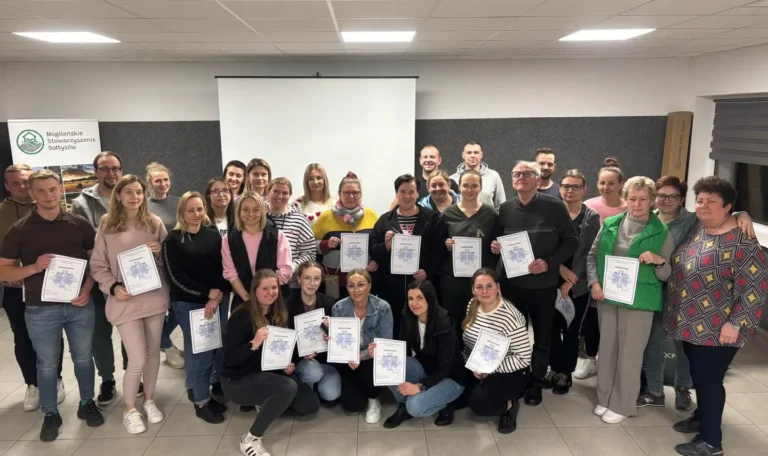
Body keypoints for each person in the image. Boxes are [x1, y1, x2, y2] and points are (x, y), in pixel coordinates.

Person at [663, 177, 766, 456]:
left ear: (727, 207)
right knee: (700, 376)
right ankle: (703, 416)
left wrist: (735, 324)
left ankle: (710, 442)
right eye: (700, 201)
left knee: (709, 380)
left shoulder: (743, 243)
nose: (703, 206)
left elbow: (755, 289)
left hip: (719, 327)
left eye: (712, 201)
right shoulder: (701, 228)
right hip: (690, 322)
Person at [0, 170, 105, 442]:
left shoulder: (80, 224)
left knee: (83, 358)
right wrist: (34, 268)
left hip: (79, 305)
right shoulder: (19, 230)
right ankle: (50, 413)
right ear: (31, 194)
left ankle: (86, 403)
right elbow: (4, 270)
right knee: (47, 364)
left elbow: (95, 264)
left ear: (60, 190)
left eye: (52, 189)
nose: (47, 195)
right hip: (40, 309)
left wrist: (86, 290)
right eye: (40, 191)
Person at [639, 176, 755, 411]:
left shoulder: (694, 220)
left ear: (682, 199)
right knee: (653, 342)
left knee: (683, 346)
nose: (666, 200)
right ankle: (654, 391)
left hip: (685, 294)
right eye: (661, 195)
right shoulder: (647, 219)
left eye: (673, 196)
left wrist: (743, 214)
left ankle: (682, 388)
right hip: (653, 290)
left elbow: (722, 214)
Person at [586, 176, 675, 424]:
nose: (637, 204)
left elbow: (667, 273)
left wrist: (658, 260)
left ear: (652, 200)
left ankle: (623, 404)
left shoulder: (662, 232)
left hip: (640, 301)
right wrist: (594, 283)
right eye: (632, 198)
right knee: (607, 349)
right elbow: (592, 256)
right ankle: (605, 397)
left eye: (643, 199)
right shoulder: (610, 223)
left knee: (630, 354)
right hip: (608, 296)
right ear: (625, 199)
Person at [491, 161, 578, 406]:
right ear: (512, 180)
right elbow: (497, 241)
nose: (521, 177)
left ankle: (536, 383)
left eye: (527, 173)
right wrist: (495, 246)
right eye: (516, 173)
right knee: (513, 336)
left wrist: (549, 263)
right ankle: (517, 378)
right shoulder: (505, 208)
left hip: (543, 286)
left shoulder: (554, 206)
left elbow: (571, 241)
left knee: (542, 337)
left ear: (538, 180)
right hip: (512, 286)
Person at [90, 174, 170, 434]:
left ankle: (149, 400)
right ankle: (129, 409)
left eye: (139, 192)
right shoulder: (107, 225)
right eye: (128, 192)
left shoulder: (155, 222)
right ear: (118, 195)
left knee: (153, 353)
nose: (134, 197)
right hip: (125, 301)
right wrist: (112, 287)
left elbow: (170, 262)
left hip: (154, 298)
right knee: (137, 357)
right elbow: (97, 265)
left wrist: (161, 252)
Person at [222, 269, 320, 456]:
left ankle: (265, 400)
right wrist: (253, 343)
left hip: (267, 373)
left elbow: (284, 348)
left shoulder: (279, 312)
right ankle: (251, 438)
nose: (270, 292)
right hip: (237, 380)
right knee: (288, 387)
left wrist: (291, 363)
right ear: (255, 291)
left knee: (310, 405)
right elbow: (229, 360)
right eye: (265, 288)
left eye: (274, 288)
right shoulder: (241, 316)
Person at [0, 164, 66, 412]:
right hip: (15, 286)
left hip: (50, 286)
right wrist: (9, 275)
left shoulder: (54, 209)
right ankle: (32, 384)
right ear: (7, 186)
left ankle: (56, 379)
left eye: (25, 182)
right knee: (23, 337)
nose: (21, 186)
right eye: (15, 183)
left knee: (52, 335)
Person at [163, 191, 230, 423]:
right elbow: (175, 278)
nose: (196, 213)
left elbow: (222, 268)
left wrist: (215, 297)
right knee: (201, 354)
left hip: (215, 301)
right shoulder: (172, 240)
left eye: (199, 209)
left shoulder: (212, 235)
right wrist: (205, 294)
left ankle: (204, 393)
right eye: (190, 210)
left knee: (213, 348)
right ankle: (200, 402)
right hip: (188, 303)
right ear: (181, 212)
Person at [71, 151, 125, 406]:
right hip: (97, 280)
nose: (111, 173)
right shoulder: (81, 204)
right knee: (100, 335)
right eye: (105, 168)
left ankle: (134, 376)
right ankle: (107, 379)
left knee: (130, 331)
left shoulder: (131, 196)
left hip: (127, 280)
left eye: (115, 168)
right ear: (96, 172)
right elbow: (85, 245)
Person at [381, 279, 465, 429]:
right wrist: (382, 351)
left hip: (450, 376)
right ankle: (403, 405)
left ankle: (447, 402)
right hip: (425, 367)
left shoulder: (443, 320)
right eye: (411, 298)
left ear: (430, 298)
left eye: (420, 298)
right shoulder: (407, 315)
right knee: (386, 364)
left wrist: (419, 387)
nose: (414, 303)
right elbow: (401, 347)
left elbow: (446, 367)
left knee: (414, 406)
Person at [462, 268, 532, 434]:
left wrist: (490, 369)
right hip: (478, 364)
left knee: (479, 403)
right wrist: (470, 364)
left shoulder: (510, 317)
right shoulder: (473, 304)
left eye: (489, 286)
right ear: (473, 290)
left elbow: (523, 358)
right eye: (479, 287)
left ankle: (509, 405)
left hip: (508, 370)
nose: (484, 291)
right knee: (459, 395)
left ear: (498, 287)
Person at [548, 170, 600, 394]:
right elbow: (544, 246)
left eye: (576, 186)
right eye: (566, 186)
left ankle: (565, 372)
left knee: (571, 330)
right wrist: (560, 269)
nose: (570, 190)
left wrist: (572, 278)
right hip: (551, 279)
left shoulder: (591, 217)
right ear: (560, 188)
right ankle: (553, 368)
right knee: (551, 328)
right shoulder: (551, 213)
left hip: (577, 285)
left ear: (584, 189)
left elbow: (591, 252)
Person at [371, 174, 442, 335]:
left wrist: (428, 271)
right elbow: (373, 250)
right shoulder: (384, 220)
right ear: (396, 194)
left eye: (411, 192)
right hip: (391, 287)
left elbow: (439, 251)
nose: (407, 196)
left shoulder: (431, 218)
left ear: (418, 194)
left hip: (421, 285)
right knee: (394, 327)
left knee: (421, 328)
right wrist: (386, 246)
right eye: (402, 192)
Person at [576, 166, 628, 381]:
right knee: (591, 316)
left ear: (620, 184)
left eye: (611, 183)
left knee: (614, 319)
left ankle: (610, 361)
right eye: (602, 183)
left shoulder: (629, 208)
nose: (606, 187)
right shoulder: (589, 206)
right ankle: (591, 358)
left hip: (619, 273)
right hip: (592, 269)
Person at [441, 169, 499, 333]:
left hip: (481, 281)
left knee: (481, 322)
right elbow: (437, 247)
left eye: (474, 185)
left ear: (481, 187)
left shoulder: (491, 214)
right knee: (454, 321)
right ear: (459, 187)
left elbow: (497, 246)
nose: (469, 189)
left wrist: (497, 248)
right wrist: (446, 245)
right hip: (453, 280)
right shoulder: (448, 213)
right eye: (465, 185)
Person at [331, 269, 393, 423]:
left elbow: (386, 342)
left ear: (369, 286)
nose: (356, 290)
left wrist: (362, 356)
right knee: (352, 406)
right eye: (351, 286)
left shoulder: (383, 308)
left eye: (361, 285)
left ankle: (374, 398)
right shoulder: (338, 308)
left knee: (368, 368)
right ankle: (362, 387)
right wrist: (328, 336)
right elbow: (336, 342)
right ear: (347, 288)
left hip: (371, 359)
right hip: (348, 360)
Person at [313, 172, 379, 299]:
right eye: (346, 193)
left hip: (364, 282)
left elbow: (379, 246)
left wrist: (377, 261)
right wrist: (326, 244)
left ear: (361, 194)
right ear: (339, 194)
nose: (351, 196)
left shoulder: (372, 216)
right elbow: (310, 246)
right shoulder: (325, 217)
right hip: (335, 283)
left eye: (355, 192)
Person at [222, 191, 292, 309]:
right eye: (245, 209)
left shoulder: (277, 236)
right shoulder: (228, 239)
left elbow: (285, 270)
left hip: (273, 299)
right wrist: (248, 299)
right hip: (244, 299)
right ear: (239, 211)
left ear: (262, 211)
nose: (251, 214)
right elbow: (230, 272)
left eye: (256, 209)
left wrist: (265, 295)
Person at [145, 162, 184, 370]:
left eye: (166, 179)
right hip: (156, 265)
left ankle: (163, 340)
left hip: (178, 263)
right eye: (158, 180)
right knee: (160, 310)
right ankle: (166, 345)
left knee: (177, 307)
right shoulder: (144, 206)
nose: (163, 184)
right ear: (150, 183)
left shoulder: (179, 202)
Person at [286, 260, 340, 402]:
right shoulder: (287, 305)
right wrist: (301, 353)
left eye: (316, 278)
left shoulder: (330, 303)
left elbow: (338, 343)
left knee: (331, 394)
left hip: (323, 361)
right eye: (307, 278)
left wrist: (331, 331)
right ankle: (305, 391)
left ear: (321, 280)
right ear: (299, 279)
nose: (312, 283)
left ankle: (313, 387)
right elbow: (284, 340)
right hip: (300, 361)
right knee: (313, 372)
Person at [266, 178, 316, 296]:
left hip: (291, 285)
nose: (280, 196)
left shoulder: (299, 221)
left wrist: (291, 268)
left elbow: (310, 254)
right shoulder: (258, 216)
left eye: (285, 193)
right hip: (262, 283)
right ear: (268, 192)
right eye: (276, 191)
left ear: (290, 196)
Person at [449, 140, 506, 208]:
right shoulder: (452, 180)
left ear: (481, 155)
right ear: (463, 155)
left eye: (476, 152)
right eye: (469, 153)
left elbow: (501, 205)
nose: (472, 156)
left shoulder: (493, 176)